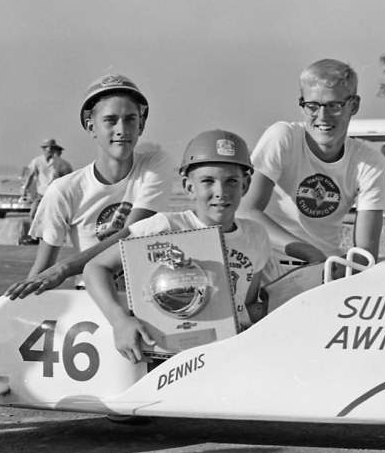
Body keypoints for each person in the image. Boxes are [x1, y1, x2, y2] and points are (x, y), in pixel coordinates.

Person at [84, 129, 270, 364]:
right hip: (173, 357)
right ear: (189, 186)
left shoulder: (256, 235)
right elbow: (95, 268)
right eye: (207, 181)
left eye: (231, 181)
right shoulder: (166, 226)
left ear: (245, 185)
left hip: (230, 355)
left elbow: (247, 303)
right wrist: (119, 321)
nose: (220, 192)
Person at [4, 73, 174, 299]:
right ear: (90, 126)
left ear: (141, 125)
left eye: (130, 119)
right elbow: (43, 269)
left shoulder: (155, 165)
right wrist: (18, 306)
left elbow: (131, 236)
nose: (122, 129)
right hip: (93, 298)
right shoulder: (63, 190)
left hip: (146, 296)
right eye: (110, 120)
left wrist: (64, 268)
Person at [240, 58, 385, 282]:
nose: (322, 116)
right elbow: (246, 211)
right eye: (312, 106)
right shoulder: (283, 137)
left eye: (334, 106)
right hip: (267, 265)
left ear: (354, 106)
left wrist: (335, 270)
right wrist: (309, 253)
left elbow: (364, 255)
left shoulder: (370, 162)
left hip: (324, 270)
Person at [22, 138, 74, 225]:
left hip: (54, 194)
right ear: (44, 149)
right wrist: (25, 189)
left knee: (54, 217)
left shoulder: (60, 162)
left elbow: (67, 179)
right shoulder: (37, 161)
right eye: (49, 148)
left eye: (53, 148)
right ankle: (35, 233)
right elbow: (30, 176)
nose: (51, 150)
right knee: (33, 214)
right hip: (41, 194)